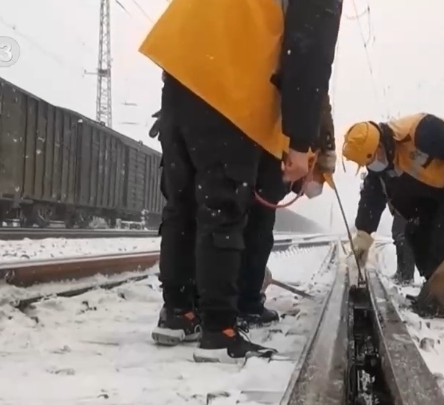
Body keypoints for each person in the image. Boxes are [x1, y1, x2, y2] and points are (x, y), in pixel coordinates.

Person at [138, 0, 342, 363]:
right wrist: (300, 142)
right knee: (222, 205)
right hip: (231, 74)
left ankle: (178, 312)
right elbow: (308, 51)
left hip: (181, 61)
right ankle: (220, 332)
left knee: (182, 203)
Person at [341, 113, 444, 318]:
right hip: (442, 186)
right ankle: (433, 288)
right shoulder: (381, 162)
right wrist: (363, 234)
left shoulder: (422, 131)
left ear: (381, 144)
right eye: (367, 163)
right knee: (415, 231)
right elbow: (372, 197)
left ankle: (435, 298)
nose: (372, 165)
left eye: (373, 158)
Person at [238, 95, 337, 327]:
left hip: (245, 134)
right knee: (259, 231)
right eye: (319, 179)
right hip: (267, 145)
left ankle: (208, 298)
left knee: (236, 223)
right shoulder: (291, 158)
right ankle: (246, 304)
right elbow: (318, 99)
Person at [391, 213, 415, 285]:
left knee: (405, 241)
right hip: (399, 213)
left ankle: (408, 276)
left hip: (406, 213)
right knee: (398, 238)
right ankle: (401, 271)